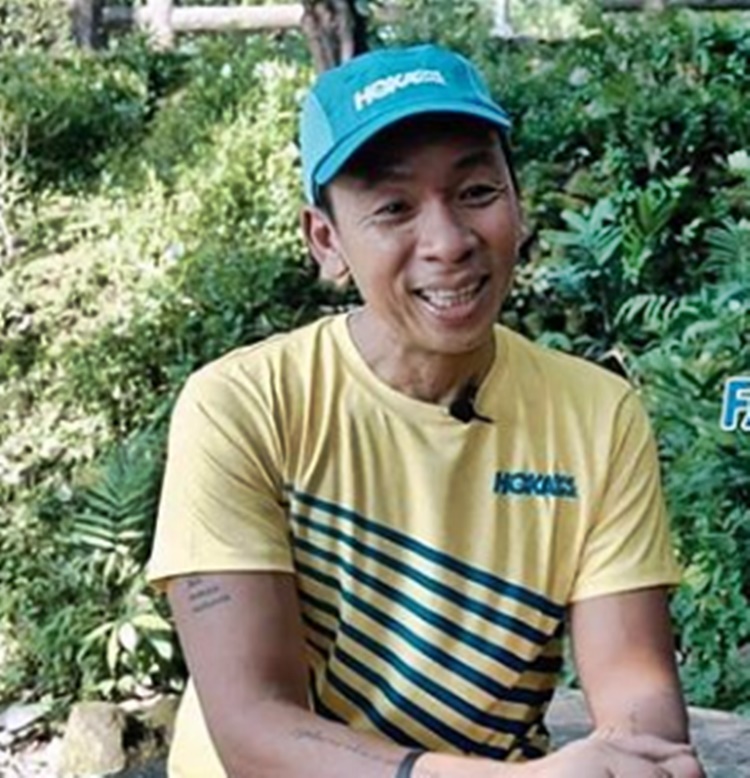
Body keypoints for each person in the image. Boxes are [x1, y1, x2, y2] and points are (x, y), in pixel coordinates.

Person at [148, 44, 704, 778]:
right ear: (326, 241)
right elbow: (254, 731)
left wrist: (632, 761)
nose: (448, 243)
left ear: (517, 201)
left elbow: (636, 688)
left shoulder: (597, 414)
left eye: (476, 191)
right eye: (394, 208)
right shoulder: (244, 406)